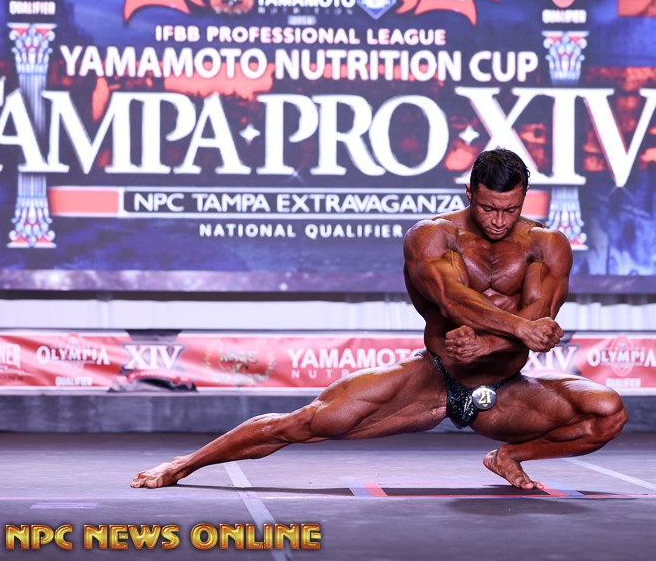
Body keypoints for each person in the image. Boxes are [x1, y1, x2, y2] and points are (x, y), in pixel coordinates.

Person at [131, 148, 627, 490]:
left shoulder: (546, 244)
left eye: (510, 210)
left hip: (504, 391)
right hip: (433, 378)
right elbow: (453, 301)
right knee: (307, 422)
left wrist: (496, 342)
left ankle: (509, 456)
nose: (499, 220)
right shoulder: (433, 236)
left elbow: (539, 321)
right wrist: (516, 329)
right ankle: (183, 465)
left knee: (607, 412)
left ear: (525, 199)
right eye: (488, 208)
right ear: (469, 193)